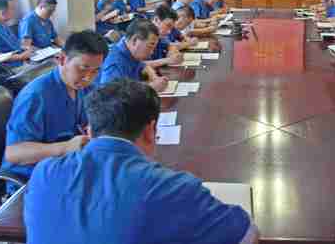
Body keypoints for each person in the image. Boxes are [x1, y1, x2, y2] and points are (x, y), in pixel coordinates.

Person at [25, 78, 259, 244]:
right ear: (151, 130)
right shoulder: (171, 188)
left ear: (89, 131)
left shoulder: (44, 172)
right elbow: (246, 234)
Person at [1, 31, 109, 193]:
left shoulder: (83, 87)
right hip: (31, 180)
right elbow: (14, 153)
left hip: (66, 166)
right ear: (62, 59)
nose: (88, 77)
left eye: (95, 71)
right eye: (83, 68)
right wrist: (65, 147)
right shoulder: (35, 96)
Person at [99, 19, 169, 92]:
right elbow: (111, 94)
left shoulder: (130, 51)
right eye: (150, 46)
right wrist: (150, 87)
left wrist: (155, 78)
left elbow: (143, 65)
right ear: (135, 40)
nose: (151, 52)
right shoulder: (114, 62)